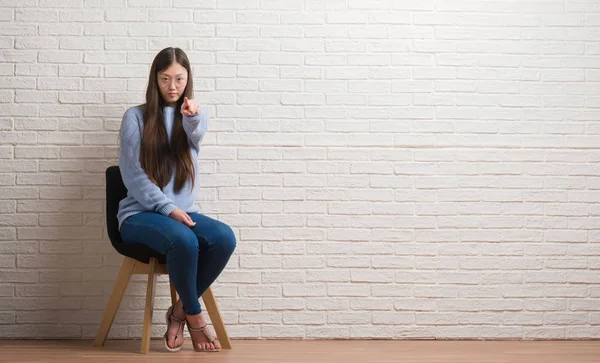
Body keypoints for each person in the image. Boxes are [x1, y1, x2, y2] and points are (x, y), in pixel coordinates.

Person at [116, 47, 236, 353]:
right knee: (185, 241)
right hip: (140, 215)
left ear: (188, 79)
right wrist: (168, 208)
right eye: (165, 78)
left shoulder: (195, 115)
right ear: (154, 80)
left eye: (179, 79)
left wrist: (192, 119)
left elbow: (195, 137)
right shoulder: (136, 117)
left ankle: (179, 311)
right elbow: (132, 174)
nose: (172, 86)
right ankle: (195, 318)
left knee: (223, 238)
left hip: (184, 213)